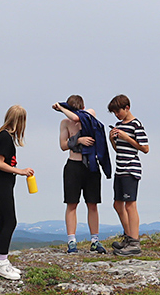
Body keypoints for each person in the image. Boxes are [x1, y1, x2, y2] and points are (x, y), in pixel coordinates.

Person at [53, 95, 111, 254]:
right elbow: (63, 146)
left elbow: (79, 117)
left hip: (90, 165)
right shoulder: (65, 123)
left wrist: (61, 108)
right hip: (73, 165)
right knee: (72, 203)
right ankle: (71, 241)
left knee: (92, 204)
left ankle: (95, 240)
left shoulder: (89, 114)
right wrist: (78, 140)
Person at [0, 105, 35, 280]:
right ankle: (1, 262)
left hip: (4, 183)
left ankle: (0, 260)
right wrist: (20, 170)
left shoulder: (2, 136)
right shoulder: (5, 138)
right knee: (10, 221)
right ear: (20, 121)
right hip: (3, 183)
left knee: (3, 221)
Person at [107, 94, 149, 255]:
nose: (117, 115)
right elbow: (120, 150)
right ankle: (129, 236)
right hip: (120, 169)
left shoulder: (136, 125)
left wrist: (126, 137)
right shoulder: (118, 125)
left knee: (130, 204)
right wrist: (113, 140)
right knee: (117, 204)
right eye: (114, 113)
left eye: (118, 111)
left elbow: (145, 148)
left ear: (127, 108)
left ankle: (134, 242)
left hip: (131, 168)